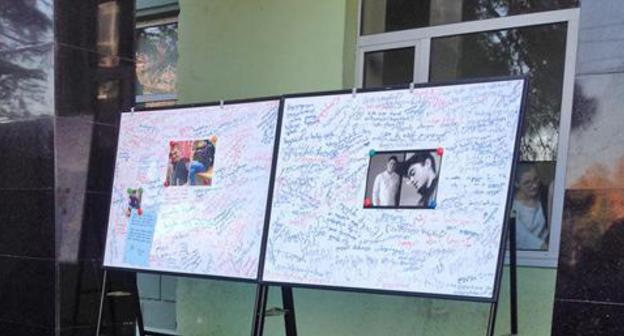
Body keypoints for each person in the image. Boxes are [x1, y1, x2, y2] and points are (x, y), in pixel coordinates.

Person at [512, 164, 550, 250]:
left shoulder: (545, 197)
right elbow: (524, 238)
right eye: (527, 183)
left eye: (536, 179)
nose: (534, 185)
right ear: (516, 184)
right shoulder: (512, 207)